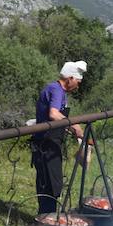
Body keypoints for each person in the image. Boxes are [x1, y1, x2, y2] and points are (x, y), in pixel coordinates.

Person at [31, 61, 87, 214]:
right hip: (45, 145)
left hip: (51, 144)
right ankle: (46, 219)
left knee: (53, 183)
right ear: (69, 78)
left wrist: (67, 128)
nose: (78, 85)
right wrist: (73, 125)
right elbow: (53, 114)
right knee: (47, 184)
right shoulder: (56, 90)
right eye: (77, 81)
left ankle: (49, 216)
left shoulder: (60, 92)